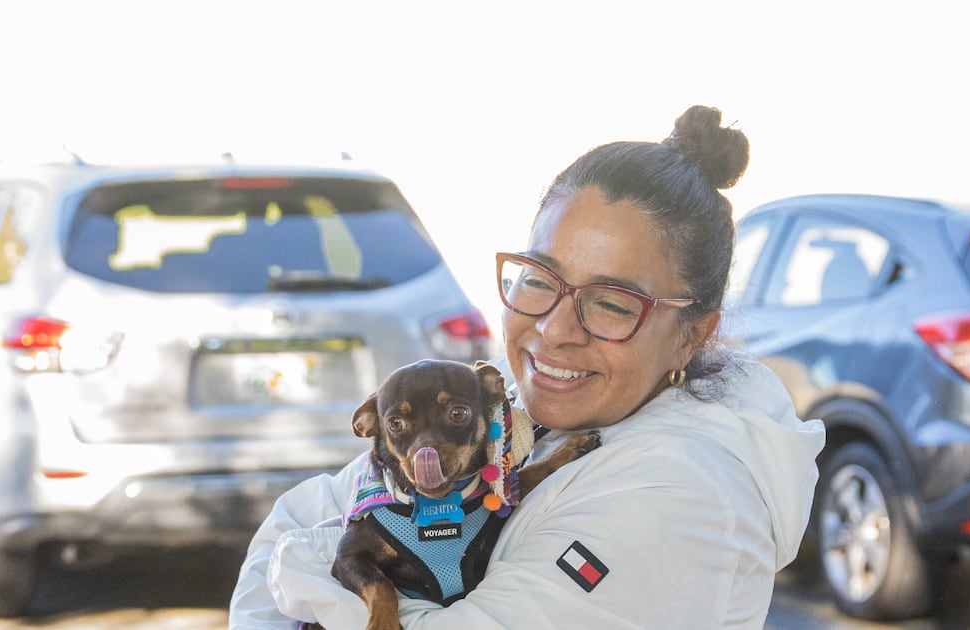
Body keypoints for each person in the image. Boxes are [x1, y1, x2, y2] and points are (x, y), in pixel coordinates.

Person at [229, 105, 825, 629]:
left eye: (613, 304)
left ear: (692, 335)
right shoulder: (512, 407)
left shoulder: (681, 495)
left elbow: (291, 540)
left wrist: (300, 564)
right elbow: (298, 512)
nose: (556, 330)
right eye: (539, 279)